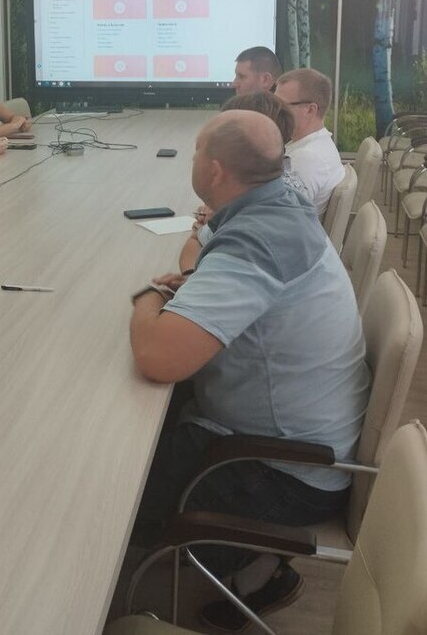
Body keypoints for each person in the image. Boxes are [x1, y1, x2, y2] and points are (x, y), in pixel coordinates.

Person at [130, 111, 369, 631]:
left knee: (116, 485)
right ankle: (258, 570)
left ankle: (144, 595)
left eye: (196, 150)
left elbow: (158, 358)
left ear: (214, 169)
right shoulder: (274, 203)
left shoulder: (256, 240)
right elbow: (212, 257)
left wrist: (147, 295)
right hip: (301, 440)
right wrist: (199, 284)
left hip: (283, 470)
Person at [172, 91, 298, 285]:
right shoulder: (263, 192)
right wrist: (191, 277)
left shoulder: (258, 229)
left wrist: (154, 292)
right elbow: (196, 241)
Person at [275, 67, 345, 216]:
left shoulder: (307, 158)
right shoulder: (314, 144)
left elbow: (282, 216)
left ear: (310, 110)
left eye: (281, 106)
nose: (275, 111)